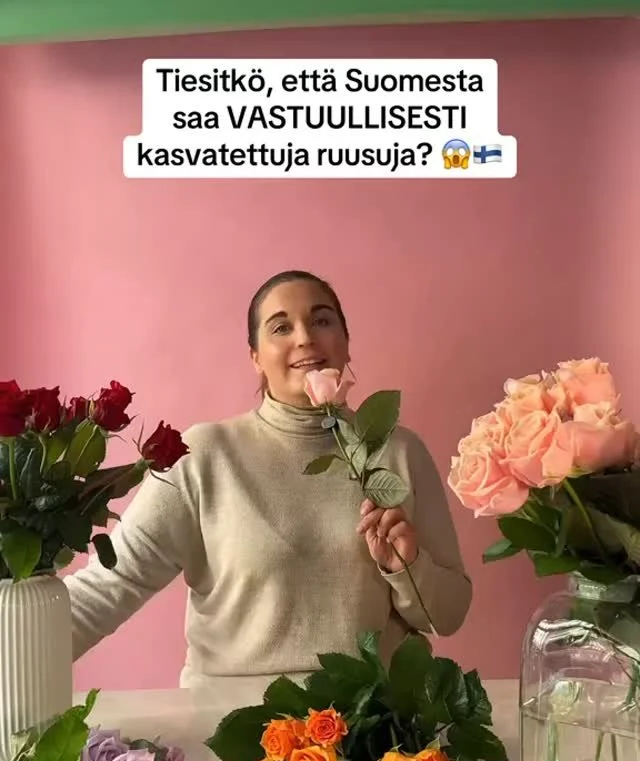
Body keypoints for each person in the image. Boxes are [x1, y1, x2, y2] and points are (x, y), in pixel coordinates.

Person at [66, 270, 472, 688]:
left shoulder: (398, 451)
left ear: (346, 341)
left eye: (321, 320)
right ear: (255, 357)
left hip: (373, 717)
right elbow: (112, 581)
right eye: (281, 327)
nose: (305, 338)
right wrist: (27, 650)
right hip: (232, 716)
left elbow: (448, 616)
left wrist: (406, 567)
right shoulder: (204, 455)